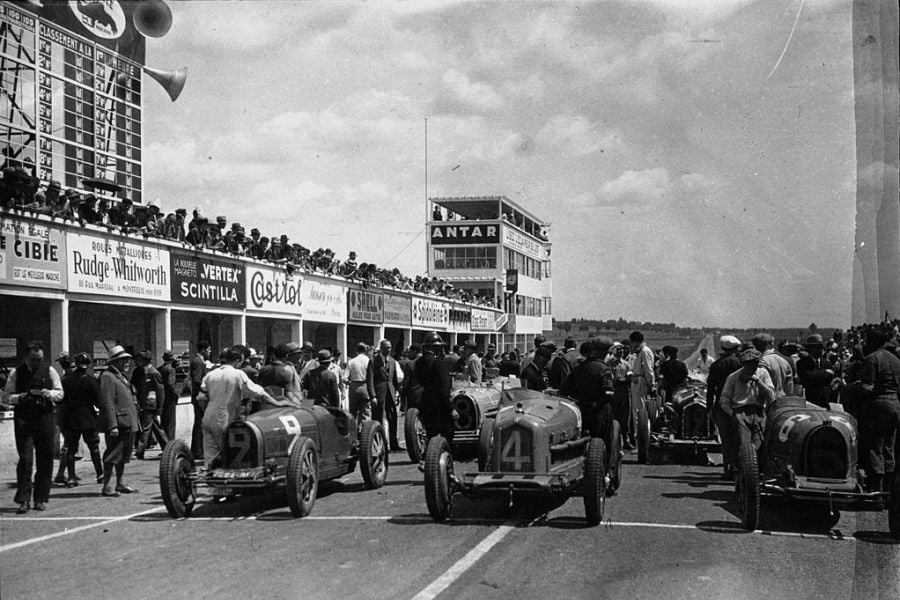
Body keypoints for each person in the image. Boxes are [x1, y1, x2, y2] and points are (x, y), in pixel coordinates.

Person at [2, 341, 64, 513]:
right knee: (26, 459)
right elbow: (6, 396)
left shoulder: (49, 371)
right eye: (33, 359)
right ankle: (24, 499)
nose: (37, 363)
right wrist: (20, 397)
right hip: (24, 418)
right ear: (26, 357)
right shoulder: (16, 373)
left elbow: (60, 393)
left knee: (45, 458)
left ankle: (41, 498)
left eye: (39, 359)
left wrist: (48, 393)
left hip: (44, 418)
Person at [198, 348, 275, 469]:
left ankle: (211, 480)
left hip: (208, 418)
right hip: (224, 419)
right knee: (228, 455)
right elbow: (257, 392)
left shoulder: (210, 374)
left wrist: (207, 410)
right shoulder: (237, 374)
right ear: (237, 361)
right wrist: (275, 402)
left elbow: (201, 398)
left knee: (210, 457)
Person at [858, 328, 900, 493]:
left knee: (876, 448)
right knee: (889, 448)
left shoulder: (871, 359)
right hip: (895, 404)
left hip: (879, 406)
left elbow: (869, 387)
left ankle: (877, 491)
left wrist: (856, 388)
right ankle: (888, 491)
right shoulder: (896, 360)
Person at [97, 345, 140, 497]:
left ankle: (120, 483)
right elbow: (107, 402)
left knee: (123, 455)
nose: (127, 363)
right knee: (112, 454)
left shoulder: (120, 376)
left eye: (128, 360)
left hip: (127, 422)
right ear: (114, 362)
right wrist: (112, 425)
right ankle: (107, 486)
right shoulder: (107, 377)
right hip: (118, 423)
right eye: (123, 360)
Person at [720, 348, 776, 457]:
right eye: (748, 364)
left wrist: (757, 380)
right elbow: (724, 401)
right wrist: (733, 415)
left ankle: (756, 468)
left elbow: (771, 396)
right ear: (743, 364)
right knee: (744, 445)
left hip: (759, 412)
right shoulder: (733, 377)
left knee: (760, 443)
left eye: (754, 363)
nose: (751, 367)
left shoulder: (763, 374)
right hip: (740, 412)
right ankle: (742, 469)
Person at [59, 352, 104, 486]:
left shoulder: (66, 381)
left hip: (71, 417)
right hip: (88, 417)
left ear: (76, 364)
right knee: (94, 447)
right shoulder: (91, 381)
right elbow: (98, 402)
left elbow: (62, 400)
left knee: (71, 448)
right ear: (88, 364)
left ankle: (71, 477)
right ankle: (100, 474)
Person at [561, 338, 615, 440]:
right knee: (604, 443)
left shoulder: (579, 368)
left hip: (582, 411)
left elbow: (564, 389)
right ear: (605, 352)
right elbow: (608, 392)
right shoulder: (603, 369)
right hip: (600, 413)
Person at [707, 335, 743, 479]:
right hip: (739, 404)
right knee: (739, 438)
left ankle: (728, 469)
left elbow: (710, 388)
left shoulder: (717, 365)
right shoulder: (740, 363)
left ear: (723, 348)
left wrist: (709, 407)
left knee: (726, 439)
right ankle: (740, 469)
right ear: (736, 348)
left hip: (721, 406)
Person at [414, 332, 457, 445]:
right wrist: (451, 408)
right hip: (441, 407)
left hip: (426, 404)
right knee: (447, 436)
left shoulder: (418, 363)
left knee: (431, 434)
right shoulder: (439, 364)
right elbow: (444, 389)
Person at [367, 339, 401, 451]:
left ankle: (393, 443)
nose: (388, 350)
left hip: (390, 392)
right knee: (378, 418)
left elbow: (394, 378)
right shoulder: (373, 361)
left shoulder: (392, 361)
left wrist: (396, 392)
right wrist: (373, 396)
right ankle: (380, 444)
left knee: (392, 417)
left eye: (390, 347)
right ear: (381, 348)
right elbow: (370, 380)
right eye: (386, 347)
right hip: (379, 393)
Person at [131, 350, 166, 459]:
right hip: (145, 404)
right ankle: (167, 446)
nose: (137, 361)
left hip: (151, 405)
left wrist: (159, 407)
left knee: (146, 427)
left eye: (139, 359)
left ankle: (140, 451)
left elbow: (160, 391)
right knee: (156, 428)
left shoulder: (153, 373)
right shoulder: (142, 372)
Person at [796, 334, 840, 408]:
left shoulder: (827, 363)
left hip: (826, 402)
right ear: (809, 349)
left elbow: (833, 378)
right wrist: (825, 373)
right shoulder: (802, 363)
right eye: (817, 347)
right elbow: (809, 377)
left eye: (822, 347)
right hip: (810, 403)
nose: (821, 350)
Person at [607, 342, 634, 449]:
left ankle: (626, 440)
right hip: (614, 392)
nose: (620, 352)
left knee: (625, 417)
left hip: (624, 392)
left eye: (622, 350)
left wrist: (624, 379)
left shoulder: (626, 364)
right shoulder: (609, 363)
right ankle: (613, 441)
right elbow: (612, 378)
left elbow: (629, 376)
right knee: (614, 416)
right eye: (618, 350)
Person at [752, 333, 794, 397]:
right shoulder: (783, 360)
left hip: (768, 400)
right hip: (783, 399)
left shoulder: (761, 361)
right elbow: (790, 386)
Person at [189, 341, 211, 458]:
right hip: (199, 397)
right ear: (203, 350)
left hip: (199, 397)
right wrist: (206, 389)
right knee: (199, 424)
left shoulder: (200, 361)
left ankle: (198, 449)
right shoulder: (198, 361)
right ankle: (197, 450)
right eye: (208, 350)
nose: (210, 352)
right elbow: (197, 379)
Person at [345, 343, 372, 425]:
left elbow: (344, 377)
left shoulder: (351, 361)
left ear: (356, 351)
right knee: (365, 411)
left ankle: (352, 429)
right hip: (366, 386)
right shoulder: (369, 361)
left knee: (352, 411)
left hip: (354, 387)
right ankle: (364, 431)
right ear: (366, 351)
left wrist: (349, 382)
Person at [158, 350, 179, 443]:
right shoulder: (170, 369)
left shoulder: (160, 369)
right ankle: (170, 443)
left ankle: (164, 443)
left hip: (162, 397)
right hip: (170, 398)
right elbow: (170, 384)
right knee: (170, 422)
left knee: (164, 422)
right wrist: (176, 394)